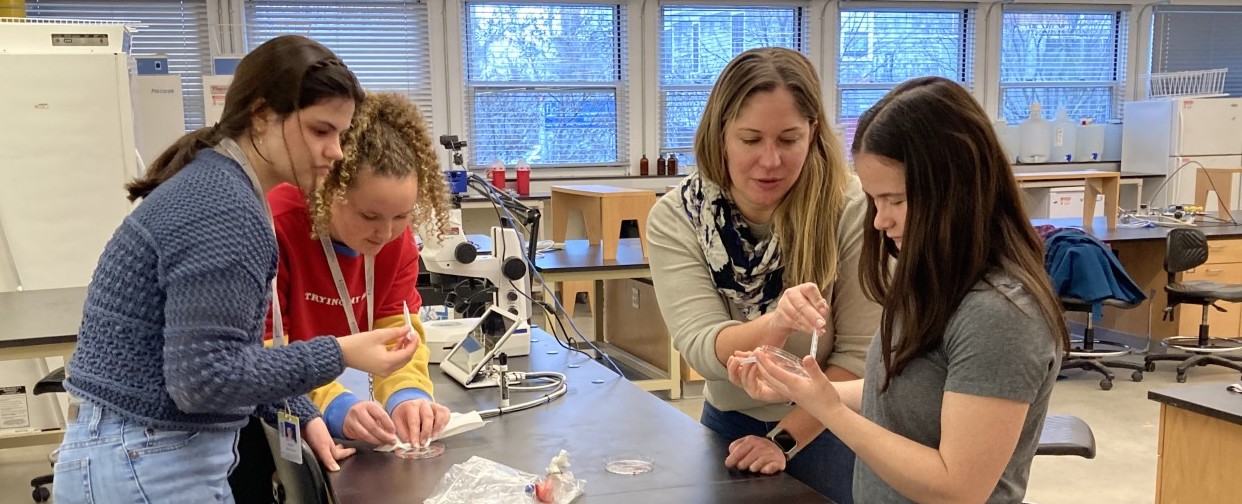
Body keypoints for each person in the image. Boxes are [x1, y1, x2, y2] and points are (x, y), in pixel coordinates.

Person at [53, 35, 417, 504]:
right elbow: (205, 381)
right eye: (321, 131)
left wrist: (300, 409)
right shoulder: (227, 209)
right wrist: (339, 353)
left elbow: (224, 351)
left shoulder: (220, 187)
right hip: (148, 459)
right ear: (263, 115)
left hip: (134, 451)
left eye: (341, 135)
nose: (337, 151)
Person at [732, 76, 1068, 503]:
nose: (879, 221)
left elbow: (957, 488)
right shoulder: (930, 283)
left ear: (955, 190)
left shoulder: (999, 314)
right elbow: (900, 391)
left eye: (896, 200)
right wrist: (804, 387)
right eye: (874, 201)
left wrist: (828, 411)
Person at [646, 47, 881, 503]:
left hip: (833, 422)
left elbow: (858, 355)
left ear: (813, 133)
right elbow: (703, 349)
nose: (770, 161)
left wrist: (783, 439)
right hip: (730, 423)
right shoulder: (678, 217)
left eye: (789, 140)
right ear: (721, 135)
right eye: (751, 140)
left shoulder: (851, 207)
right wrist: (777, 326)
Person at [270, 91, 453, 451]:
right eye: (369, 216)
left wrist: (407, 395)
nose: (385, 234)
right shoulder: (276, 227)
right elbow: (262, 353)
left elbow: (397, 330)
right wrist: (335, 406)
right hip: (258, 414)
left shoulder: (395, 242)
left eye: (401, 216)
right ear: (328, 189)